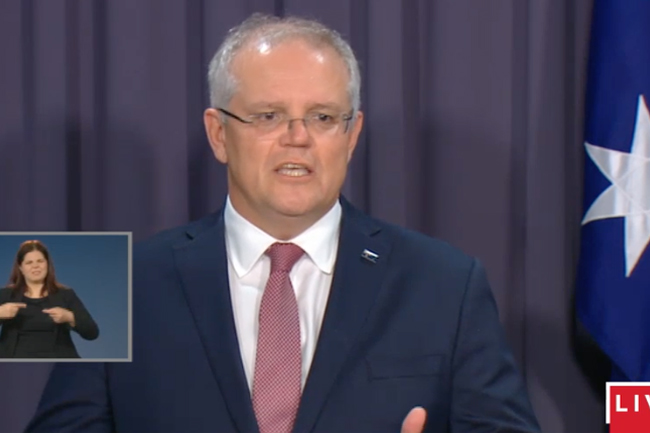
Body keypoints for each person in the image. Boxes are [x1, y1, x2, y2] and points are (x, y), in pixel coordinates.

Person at [26, 13, 540, 432]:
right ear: (219, 134)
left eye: (322, 117)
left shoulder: (445, 285)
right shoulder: (121, 285)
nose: (298, 138)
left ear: (352, 134)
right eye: (269, 116)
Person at [0, 240, 99, 358]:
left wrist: (69, 317)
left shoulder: (65, 295)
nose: (35, 266)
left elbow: (92, 333)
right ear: (21, 268)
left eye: (40, 261)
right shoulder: (6, 295)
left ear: (47, 264)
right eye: (29, 262)